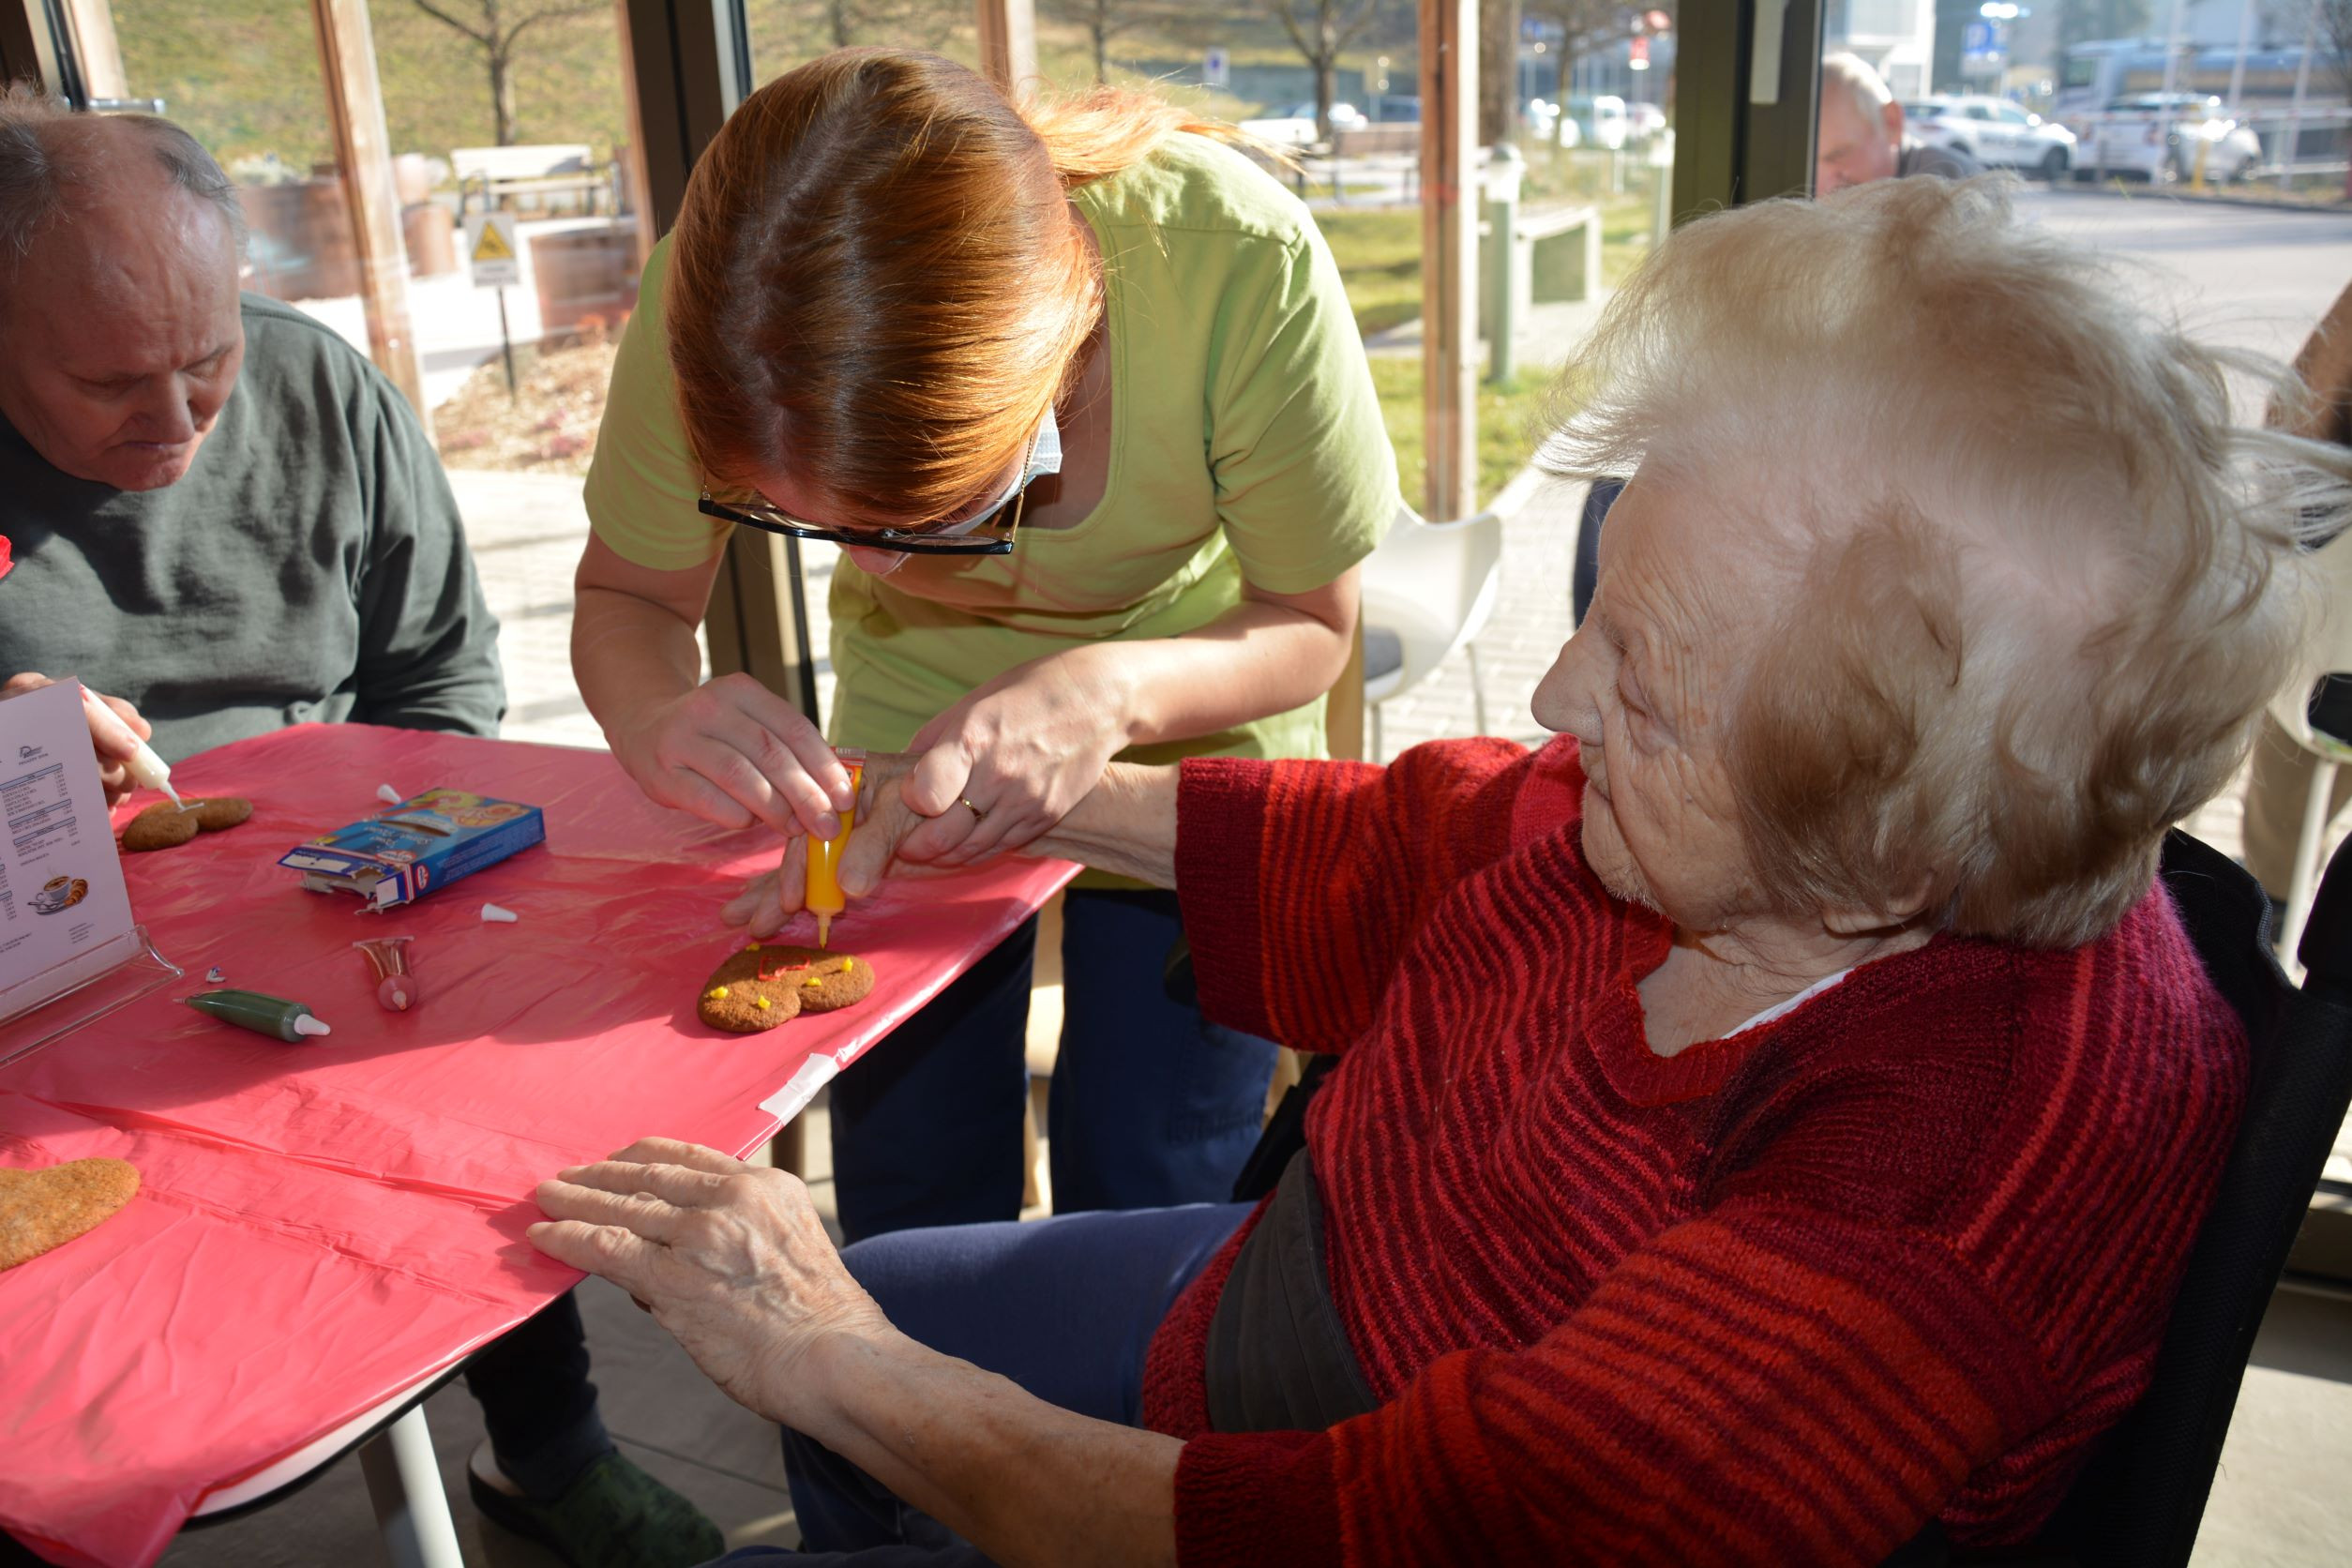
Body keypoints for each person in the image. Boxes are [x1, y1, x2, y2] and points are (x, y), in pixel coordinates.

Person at [527, 176, 2348, 1565]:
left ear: (1888, 839)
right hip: (1350, 1277)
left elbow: (1388, 1525)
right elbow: (1423, 834)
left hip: (1379, 1453)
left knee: (862, 1345)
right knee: (902, 1291)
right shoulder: (1766, 829)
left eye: (1640, 680)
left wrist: (843, 1362)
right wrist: (1011, 791)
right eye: (1604, 607)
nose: (1560, 693)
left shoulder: (1943, 1181)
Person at [0, 92, 718, 1568]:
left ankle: (552, 1450)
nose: (180, 423)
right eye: (113, 384)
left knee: (476, 1136)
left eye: (210, 361)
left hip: (343, 878)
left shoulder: (328, 391)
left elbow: (444, 679)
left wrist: (398, 859)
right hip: (47, 929)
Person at [571, 50, 1397, 1241]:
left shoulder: (1239, 265)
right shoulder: (722, 311)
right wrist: (652, 708)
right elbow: (629, 602)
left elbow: (1311, 625)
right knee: (912, 1179)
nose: (880, 573)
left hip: (1200, 714)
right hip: (904, 733)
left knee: (1159, 1181)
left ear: (1057, 367)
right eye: (818, 526)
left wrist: (1107, 689)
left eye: (940, 515)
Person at [1816, 52, 1983, 193]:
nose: (1822, 180)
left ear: (1891, 122)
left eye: (1839, 154)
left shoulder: (1954, 191)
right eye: (1812, 162)